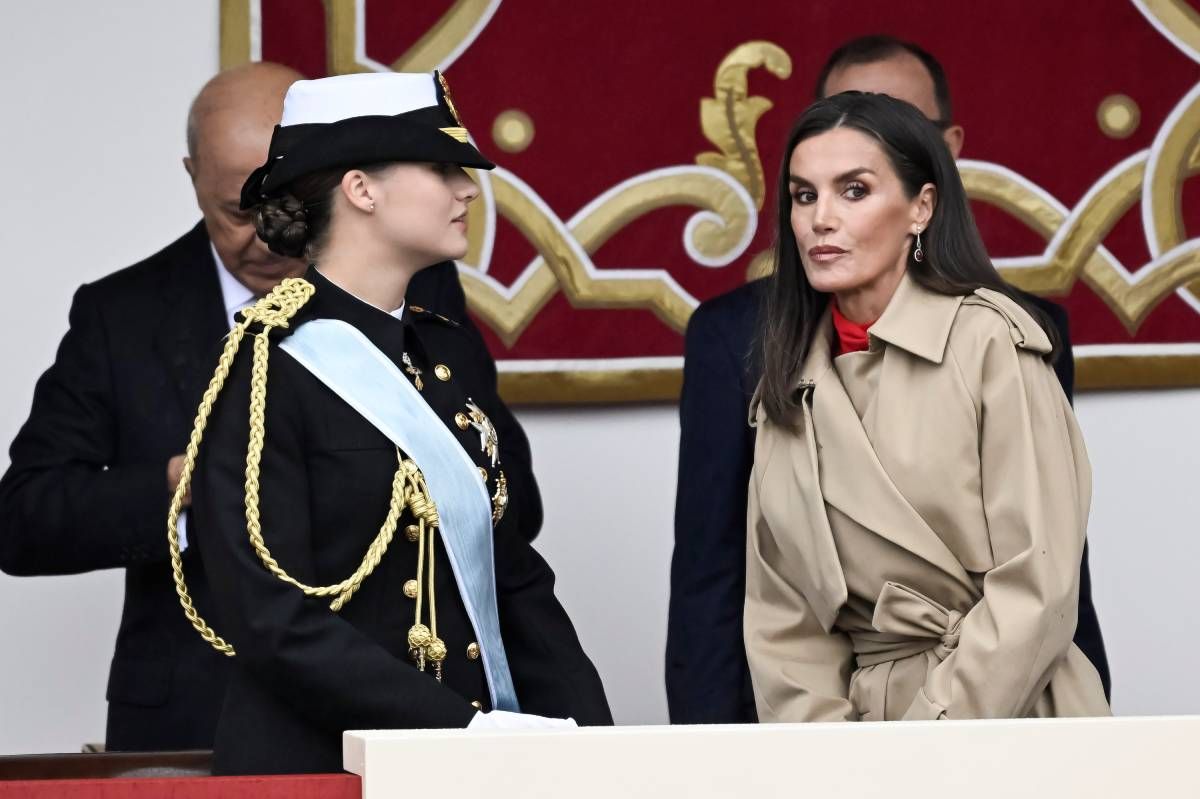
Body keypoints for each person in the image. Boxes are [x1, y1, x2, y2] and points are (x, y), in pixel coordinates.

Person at [0, 61, 541, 753]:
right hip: (187, 712)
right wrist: (189, 485)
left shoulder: (423, 290)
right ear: (191, 174)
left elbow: (513, 505)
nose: (270, 231)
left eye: (287, 199)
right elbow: (22, 519)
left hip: (397, 710)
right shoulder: (122, 313)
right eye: (240, 208)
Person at [665, 35, 1108, 726]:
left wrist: (927, 738)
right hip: (856, 740)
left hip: (1007, 719)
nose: (822, 219)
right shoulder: (785, 377)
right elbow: (783, 621)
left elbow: (1041, 584)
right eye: (804, 195)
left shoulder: (993, 340)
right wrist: (833, 753)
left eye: (855, 191)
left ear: (923, 206)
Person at [177, 71, 611, 775]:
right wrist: (462, 730)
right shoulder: (267, 366)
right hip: (326, 767)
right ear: (362, 189)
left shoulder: (442, 353)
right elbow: (270, 617)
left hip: (463, 762)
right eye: (441, 168)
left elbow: (514, 577)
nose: (468, 189)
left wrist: (597, 747)